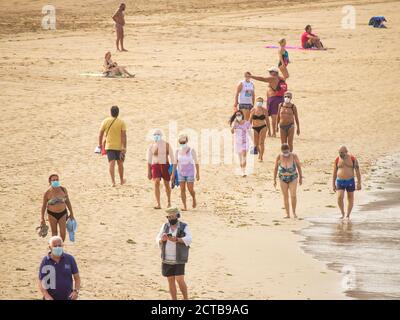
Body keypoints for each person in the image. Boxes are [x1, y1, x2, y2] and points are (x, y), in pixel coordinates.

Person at [156, 208, 192, 300]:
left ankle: (186, 299)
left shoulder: (184, 226)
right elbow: (157, 238)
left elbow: (189, 239)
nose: (171, 218)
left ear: (177, 216)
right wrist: (162, 240)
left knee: (180, 279)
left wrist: (176, 239)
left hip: (179, 258)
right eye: (169, 217)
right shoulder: (164, 226)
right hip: (166, 258)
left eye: (173, 216)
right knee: (170, 280)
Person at [38, 236, 80, 300]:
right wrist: (46, 296)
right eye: (55, 246)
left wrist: (76, 291)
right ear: (50, 247)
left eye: (59, 245)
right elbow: (41, 281)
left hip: (68, 297)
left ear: (62, 246)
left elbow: (77, 277)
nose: (58, 248)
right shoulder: (45, 261)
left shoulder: (70, 259)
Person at [249, 68, 287, 137]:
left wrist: (251, 76)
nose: (269, 73)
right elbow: (286, 76)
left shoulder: (273, 78)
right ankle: (276, 131)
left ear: (274, 72)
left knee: (273, 116)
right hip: (279, 98)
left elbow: (262, 79)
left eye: (270, 72)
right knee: (277, 116)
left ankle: (274, 133)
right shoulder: (281, 78)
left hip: (274, 99)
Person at [98, 105, 127, 187]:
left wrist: (100, 145)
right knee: (120, 164)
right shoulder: (121, 122)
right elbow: (124, 135)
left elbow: (100, 134)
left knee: (111, 163)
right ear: (118, 113)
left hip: (109, 146)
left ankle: (113, 182)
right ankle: (121, 181)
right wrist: (124, 147)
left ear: (110, 112)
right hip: (119, 147)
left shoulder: (105, 121)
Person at [41, 174, 75, 242]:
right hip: (51, 214)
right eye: (53, 180)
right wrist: (42, 219)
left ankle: (61, 247)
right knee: (54, 233)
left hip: (62, 213)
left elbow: (67, 201)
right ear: (50, 182)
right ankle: (54, 247)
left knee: (63, 233)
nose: (55, 181)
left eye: (57, 179)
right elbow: (44, 206)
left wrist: (71, 213)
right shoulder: (47, 193)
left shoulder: (63, 190)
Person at [147, 130, 176, 209]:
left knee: (167, 184)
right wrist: (148, 171)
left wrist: (173, 172)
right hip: (155, 165)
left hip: (165, 165)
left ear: (161, 136)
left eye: (158, 135)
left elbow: (173, 159)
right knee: (156, 182)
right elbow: (149, 160)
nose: (156, 136)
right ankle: (158, 203)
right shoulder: (151, 146)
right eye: (155, 135)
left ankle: (169, 202)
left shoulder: (166, 145)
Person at [273, 143, 303, 219]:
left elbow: (299, 167)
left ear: (289, 150)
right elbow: (275, 168)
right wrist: (274, 179)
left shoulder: (294, 156)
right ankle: (287, 214)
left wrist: (300, 178)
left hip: (293, 177)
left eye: (287, 152)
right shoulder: (279, 156)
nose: (286, 154)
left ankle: (294, 212)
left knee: (293, 195)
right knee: (285, 196)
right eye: (284, 152)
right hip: (282, 178)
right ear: (282, 151)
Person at [171, 134, 200, 211]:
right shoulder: (177, 151)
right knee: (182, 189)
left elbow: (196, 162)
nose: (182, 144)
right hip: (181, 173)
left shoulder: (191, 150)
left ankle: (193, 198)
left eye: (183, 142)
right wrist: (173, 174)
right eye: (181, 142)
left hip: (190, 172)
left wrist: (198, 173)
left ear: (187, 141)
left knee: (190, 189)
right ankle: (184, 206)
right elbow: (175, 163)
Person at [332, 146, 362, 219]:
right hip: (340, 181)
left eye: (342, 153)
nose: (340, 154)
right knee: (339, 197)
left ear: (346, 152)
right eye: (339, 153)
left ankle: (348, 215)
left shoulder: (353, 159)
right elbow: (334, 172)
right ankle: (342, 213)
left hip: (350, 180)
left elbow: (357, 171)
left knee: (350, 197)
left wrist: (359, 183)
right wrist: (333, 183)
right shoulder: (337, 159)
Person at [230, 110, 252, 177]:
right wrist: (234, 124)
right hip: (238, 143)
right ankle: (242, 169)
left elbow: (250, 132)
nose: (238, 116)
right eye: (237, 115)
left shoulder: (247, 123)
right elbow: (232, 132)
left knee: (244, 156)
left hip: (245, 142)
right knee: (240, 158)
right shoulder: (235, 124)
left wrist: (254, 142)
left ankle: (243, 171)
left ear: (242, 115)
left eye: (239, 114)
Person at [249, 97, 270, 161]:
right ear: (256, 102)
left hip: (263, 127)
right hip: (254, 127)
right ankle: (259, 153)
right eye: (258, 101)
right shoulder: (253, 110)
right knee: (256, 143)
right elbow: (250, 120)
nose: (259, 102)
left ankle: (261, 156)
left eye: (261, 101)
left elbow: (267, 120)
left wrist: (269, 130)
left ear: (262, 102)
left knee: (261, 142)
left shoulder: (264, 110)